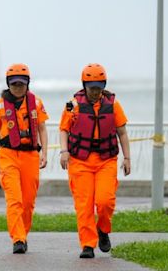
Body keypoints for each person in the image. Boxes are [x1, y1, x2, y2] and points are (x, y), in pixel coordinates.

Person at [59, 63, 131, 259]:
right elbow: (64, 129)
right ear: (84, 86)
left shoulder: (113, 105)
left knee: (105, 201)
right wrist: (64, 151)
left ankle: (103, 230)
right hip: (80, 161)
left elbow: (122, 133)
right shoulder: (73, 105)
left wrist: (127, 158)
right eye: (91, 88)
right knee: (84, 204)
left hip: (106, 161)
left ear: (103, 85)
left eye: (98, 87)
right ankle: (87, 245)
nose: (95, 91)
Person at [0, 63, 49, 254]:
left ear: (27, 83)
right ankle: (18, 239)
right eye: (14, 84)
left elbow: (42, 129)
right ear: (8, 84)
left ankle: (23, 234)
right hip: (8, 156)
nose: (18, 87)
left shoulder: (36, 103)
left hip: (30, 157)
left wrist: (45, 153)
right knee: (14, 200)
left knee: (28, 202)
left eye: (21, 84)